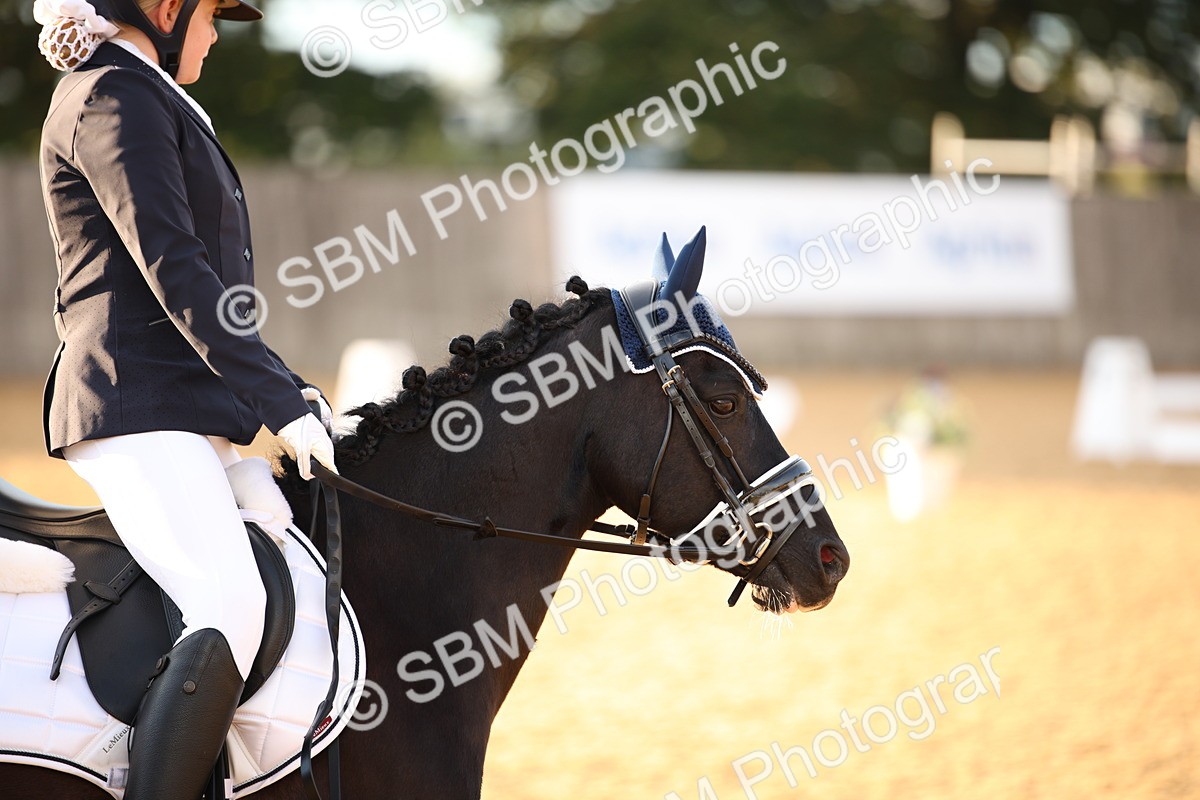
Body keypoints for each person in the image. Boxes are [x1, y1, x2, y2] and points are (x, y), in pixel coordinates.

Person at [35, 0, 338, 796]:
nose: (212, 35)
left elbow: (203, 285)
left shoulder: (147, 93)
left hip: (185, 405)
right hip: (133, 405)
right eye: (210, 17)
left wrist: (287, 384)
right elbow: (173, 267)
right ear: (166, 8)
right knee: (230, 602)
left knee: (291, 543)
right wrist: (279, 401)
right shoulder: (111, 95)